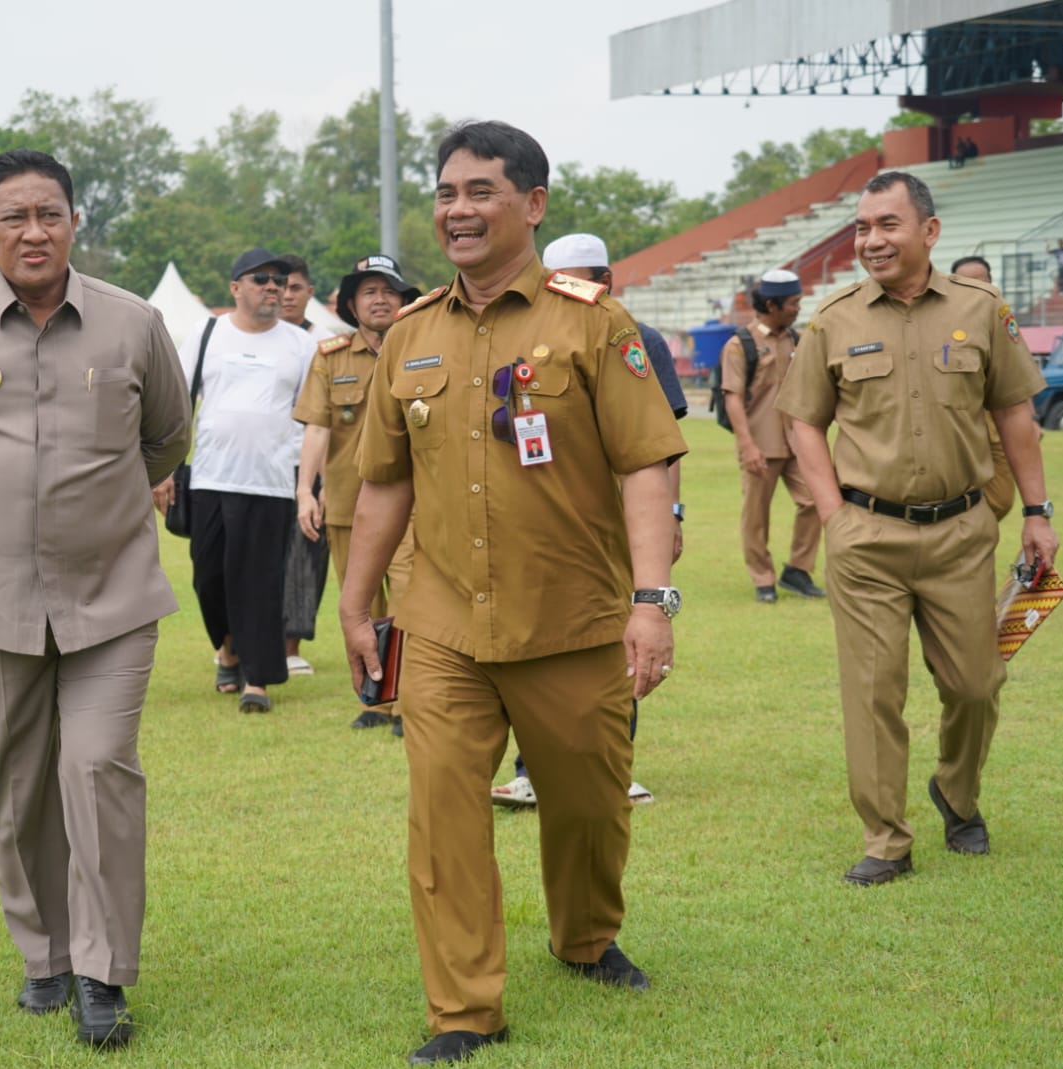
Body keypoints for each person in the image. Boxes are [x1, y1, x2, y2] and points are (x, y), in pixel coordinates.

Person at [340, 121, 686, 1066]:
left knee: (587, 804)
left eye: (481, 190)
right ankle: (464, 1010)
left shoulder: (593, 323)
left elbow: (647, 464)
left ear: (531, 205)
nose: (458, 209)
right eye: (448, 191)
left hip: (571, 619)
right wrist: (355, 602)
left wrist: (651, 600)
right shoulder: (407, 335)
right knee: (444, 813)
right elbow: (382, 481)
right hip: (443, 623)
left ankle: (585, 936)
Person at [0, 149, 191, 1047]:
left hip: (113, 596)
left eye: (49, 213)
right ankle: (45, 954)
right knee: (16, 788)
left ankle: (101, 971)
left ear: (75, 222)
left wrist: (98, 504)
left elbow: (167, 436)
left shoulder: (132, 325)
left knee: (98, 770)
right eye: (12, 217)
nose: (33, 231)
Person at [776, 170, 1055, 887]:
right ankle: (885, 839)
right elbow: (802, 417)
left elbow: (1016, 414)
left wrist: (1036, 511)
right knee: (873, 692)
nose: (871, 240)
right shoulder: (834, 318)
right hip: (868, 535)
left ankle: (957, 795)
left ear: (929, 231)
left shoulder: (982, 309)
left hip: (963, 531)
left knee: (974, 683)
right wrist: (833, 513)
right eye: (863, 227)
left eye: (887, 225)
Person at [491, 231, 688, 808]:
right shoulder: (521, 331)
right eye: (564, 276)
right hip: (538, 519)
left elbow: (661, 449)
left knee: (610, 640)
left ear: (608, 280)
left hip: (612, 522)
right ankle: (533, 767)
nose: (577, 287)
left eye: (589, 276)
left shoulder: (635, 337)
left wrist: (670, 515)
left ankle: (612, 764)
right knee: (536, 643)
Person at [154, 248, 317, 714]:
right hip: (209, 479)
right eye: (262, 278)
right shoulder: (208, 334)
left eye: (281, 280)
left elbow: (315, 420)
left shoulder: (302, 344)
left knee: (261, 580)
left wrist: (306, 485)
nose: (274, 286)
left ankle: (258, 680)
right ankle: (227, 650)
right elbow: (177, 406)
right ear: (236, 288)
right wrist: (166, 468)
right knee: (210, 578)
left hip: (271, 483)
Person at [292, 253, 420, 732]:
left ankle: (411, 703)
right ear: (351, 304)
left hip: (413, 505)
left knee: (410, 599)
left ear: (403, 300)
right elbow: (317, 430)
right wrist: (307, 490)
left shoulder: (420, 350)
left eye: (389, 290)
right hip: (347, 503)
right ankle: (378, 699)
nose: (380, 299)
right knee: (363, 604)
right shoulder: (330, 358)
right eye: (369, 291)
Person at [720, 269, 824, 602]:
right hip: (760, 444)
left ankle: (798, 569)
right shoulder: (741, 344)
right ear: (771, 304)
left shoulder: (797, 340)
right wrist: (747, 445)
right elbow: (732, 397)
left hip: (797, 443)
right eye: (793, 303)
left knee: (815, 501)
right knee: (756, 515)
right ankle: (763, 578)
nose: (797, 308)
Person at [278, 253, 335, 677]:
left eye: (295, 287)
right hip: (263, 466)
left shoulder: (326, 341)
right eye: (279, 286)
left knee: (305, 554)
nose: (285, 295)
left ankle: (291, 646)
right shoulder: (255, 336)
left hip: (311, 465)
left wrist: (326, 480)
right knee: (262, 558)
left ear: (309, 293)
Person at [950, 256, 1022, 522]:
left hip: (997, 419)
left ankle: (967, 536)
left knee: (1001, 497)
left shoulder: (1003, 321)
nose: (977, 288)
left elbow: (1019, 378)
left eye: (983, 282)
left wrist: (1031, 418)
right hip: (957, 419)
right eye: (967, 283)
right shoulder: (941, 322)